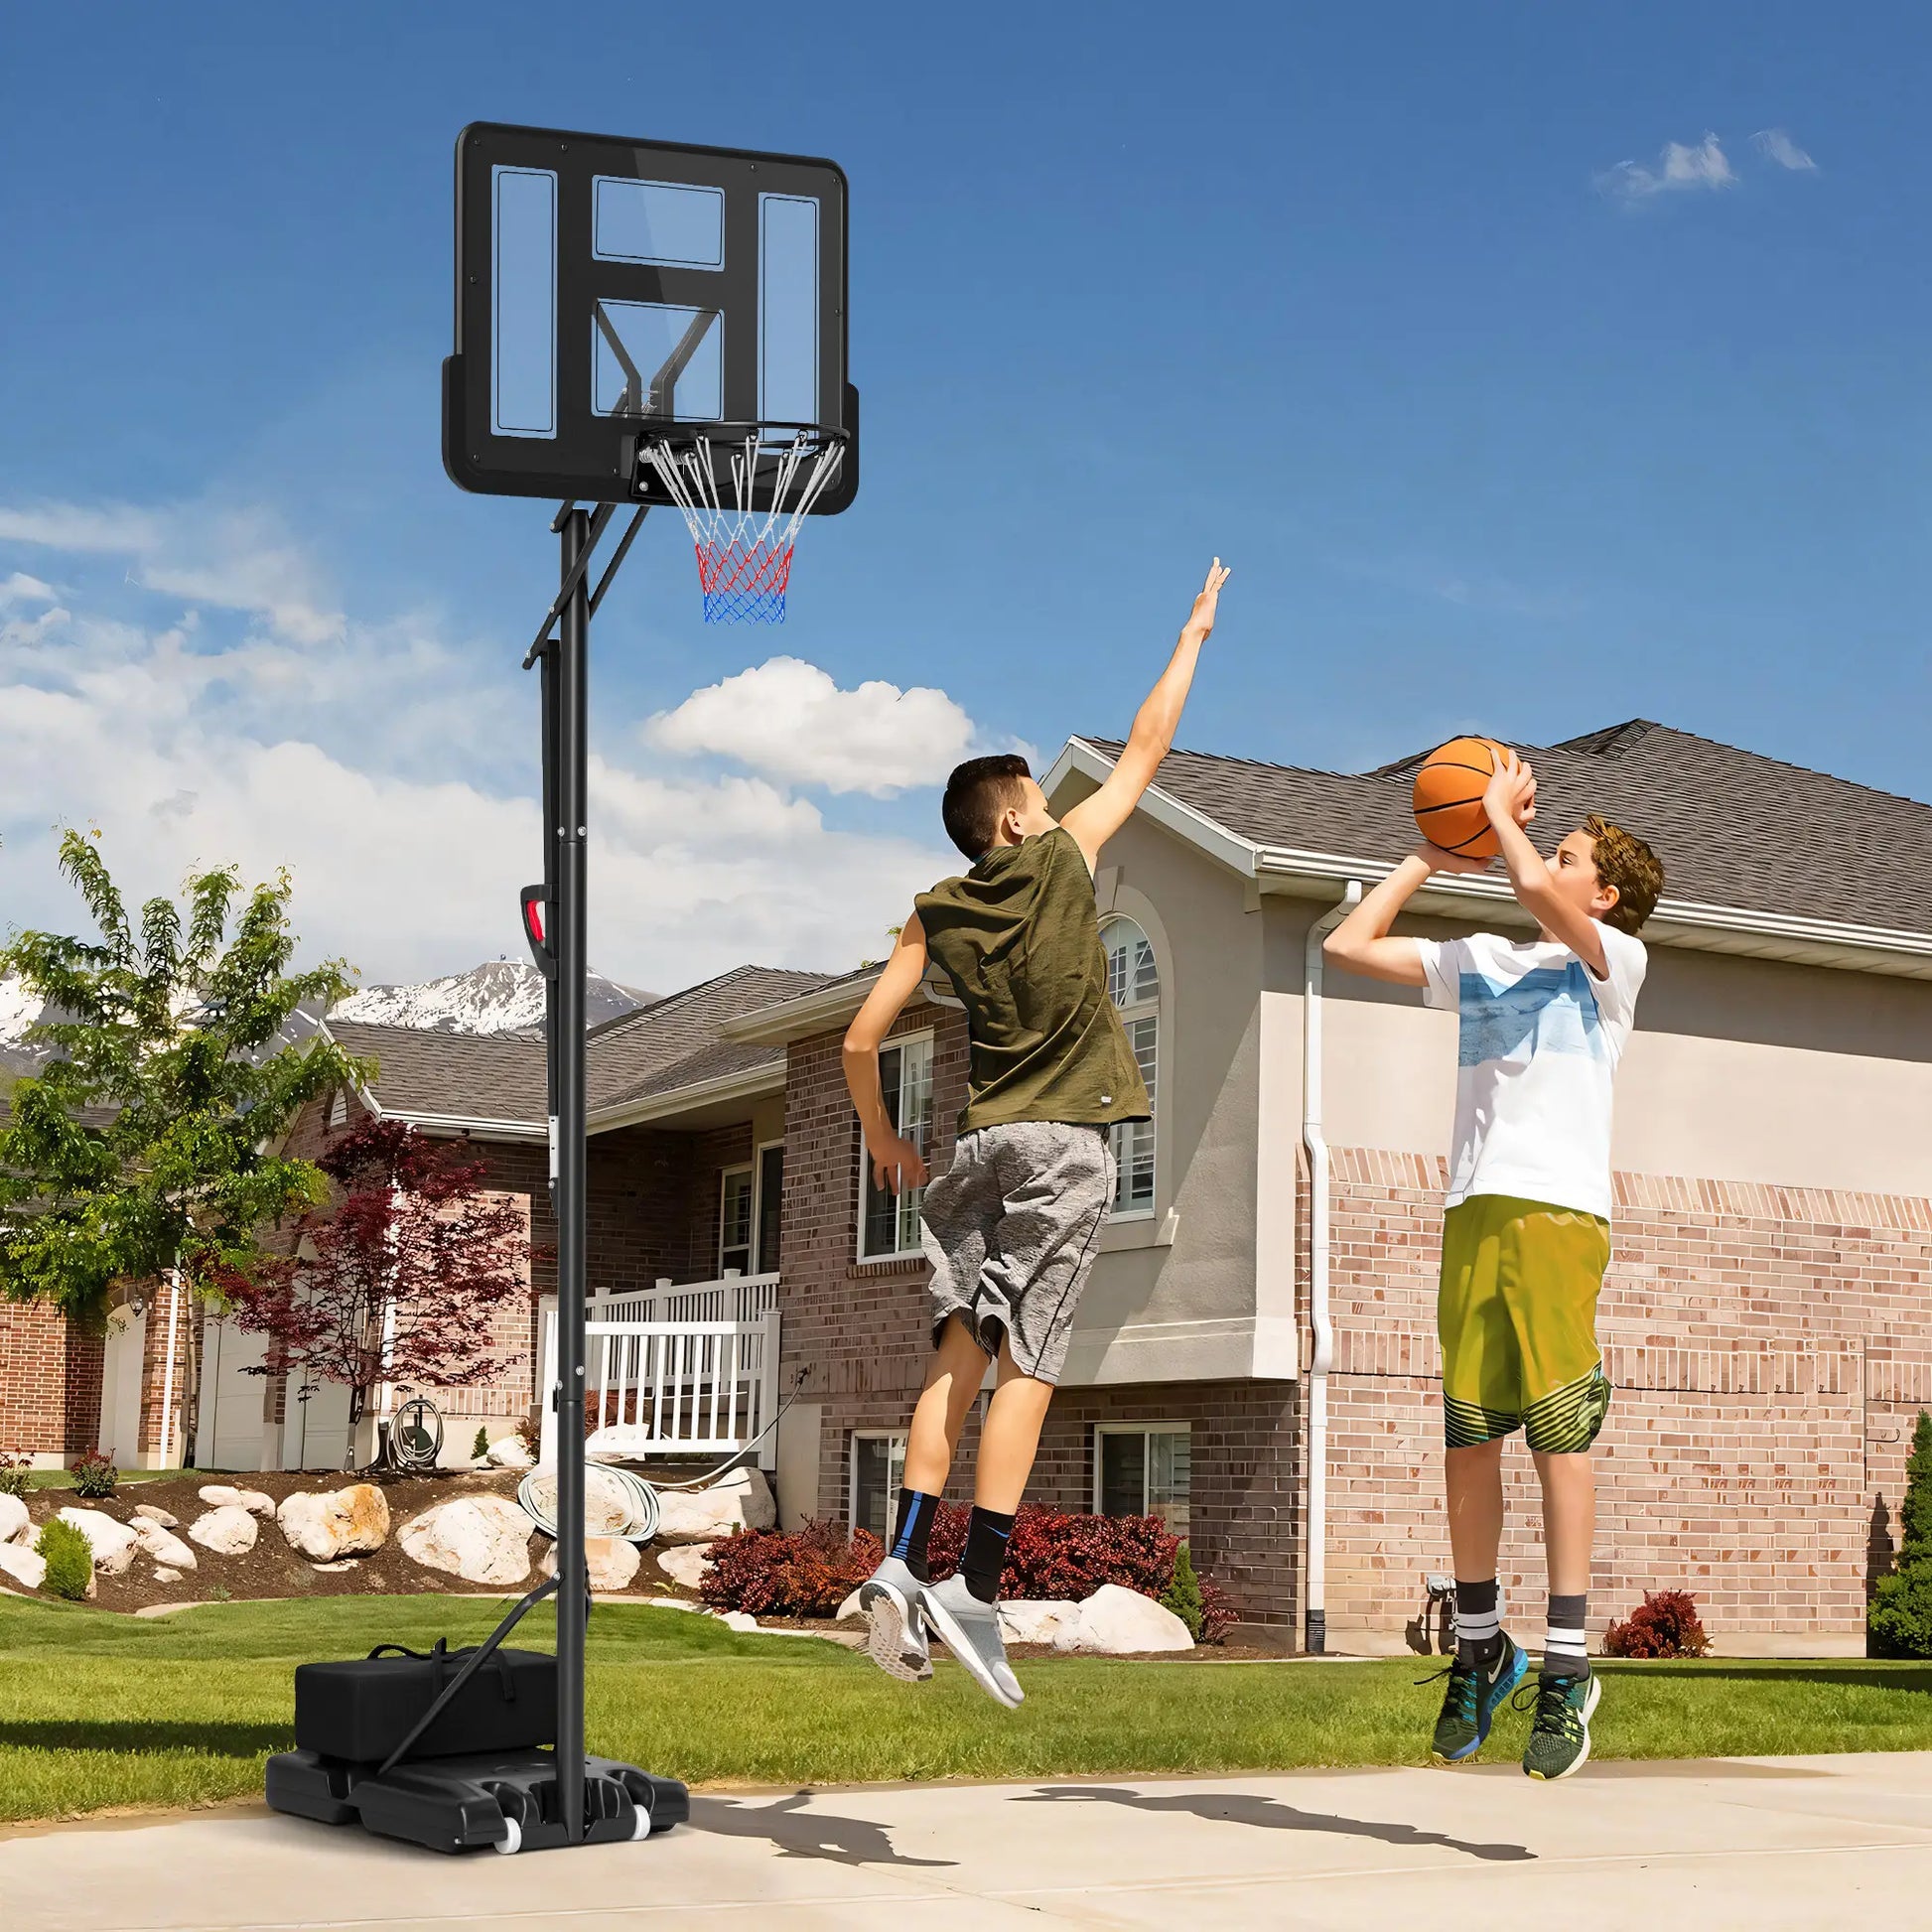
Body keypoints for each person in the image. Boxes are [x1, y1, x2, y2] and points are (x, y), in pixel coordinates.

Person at [841, 560, 1231, 1706]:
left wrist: (882, 1140)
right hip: (1063, 1150)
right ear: (1017, 819)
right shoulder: (1061, 859)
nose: (1058, 815)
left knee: (954, 1357)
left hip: (972, 1155)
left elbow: (861, 1040)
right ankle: (973, 1581)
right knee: (1030, 1365)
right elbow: (1146, 749)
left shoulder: (935, 907)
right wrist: (1192, 630)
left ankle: (900, 1559)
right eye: (1043, 804)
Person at [1322, 753, 1662, 1779]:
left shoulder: (1610, 963)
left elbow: (1525, 882)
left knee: (1558, 1434)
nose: (1541, 860)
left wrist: (1496, 817)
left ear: (1600, 894)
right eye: (1544, 846)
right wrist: (1428, 851)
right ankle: (1483, 1644)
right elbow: (1347, 942)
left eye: (1565, 854)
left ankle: (1565, 1664)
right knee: (1467, 1438)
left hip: (1558, 1217)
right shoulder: (1478, 957)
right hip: (1470, 1211)